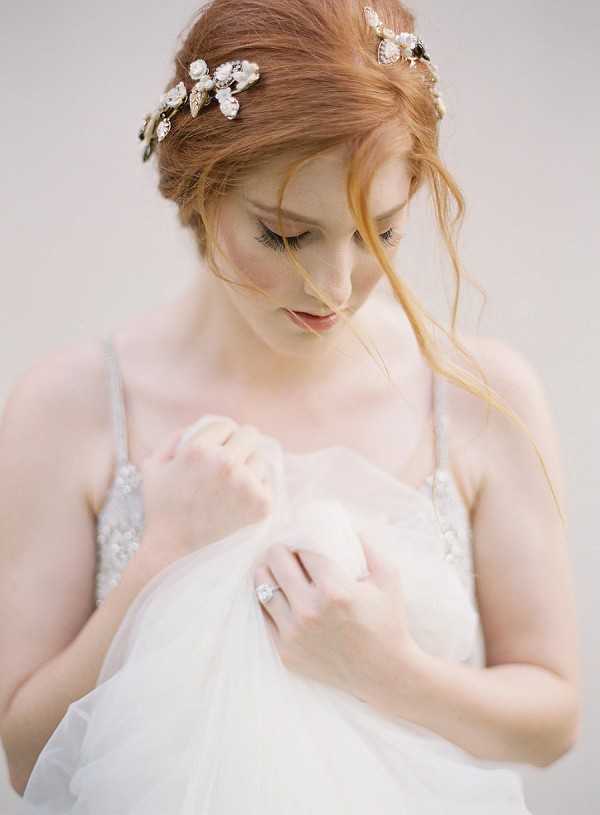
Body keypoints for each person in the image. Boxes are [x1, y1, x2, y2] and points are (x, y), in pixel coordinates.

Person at [0, 0, 580, 811]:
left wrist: (387, 670)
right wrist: (159, 557)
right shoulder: (71, 410)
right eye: (284, 235)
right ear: (198, 193)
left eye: (379, 233)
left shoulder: (479, 398)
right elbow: (28, 755)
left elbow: (553, 720)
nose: (337, 288)